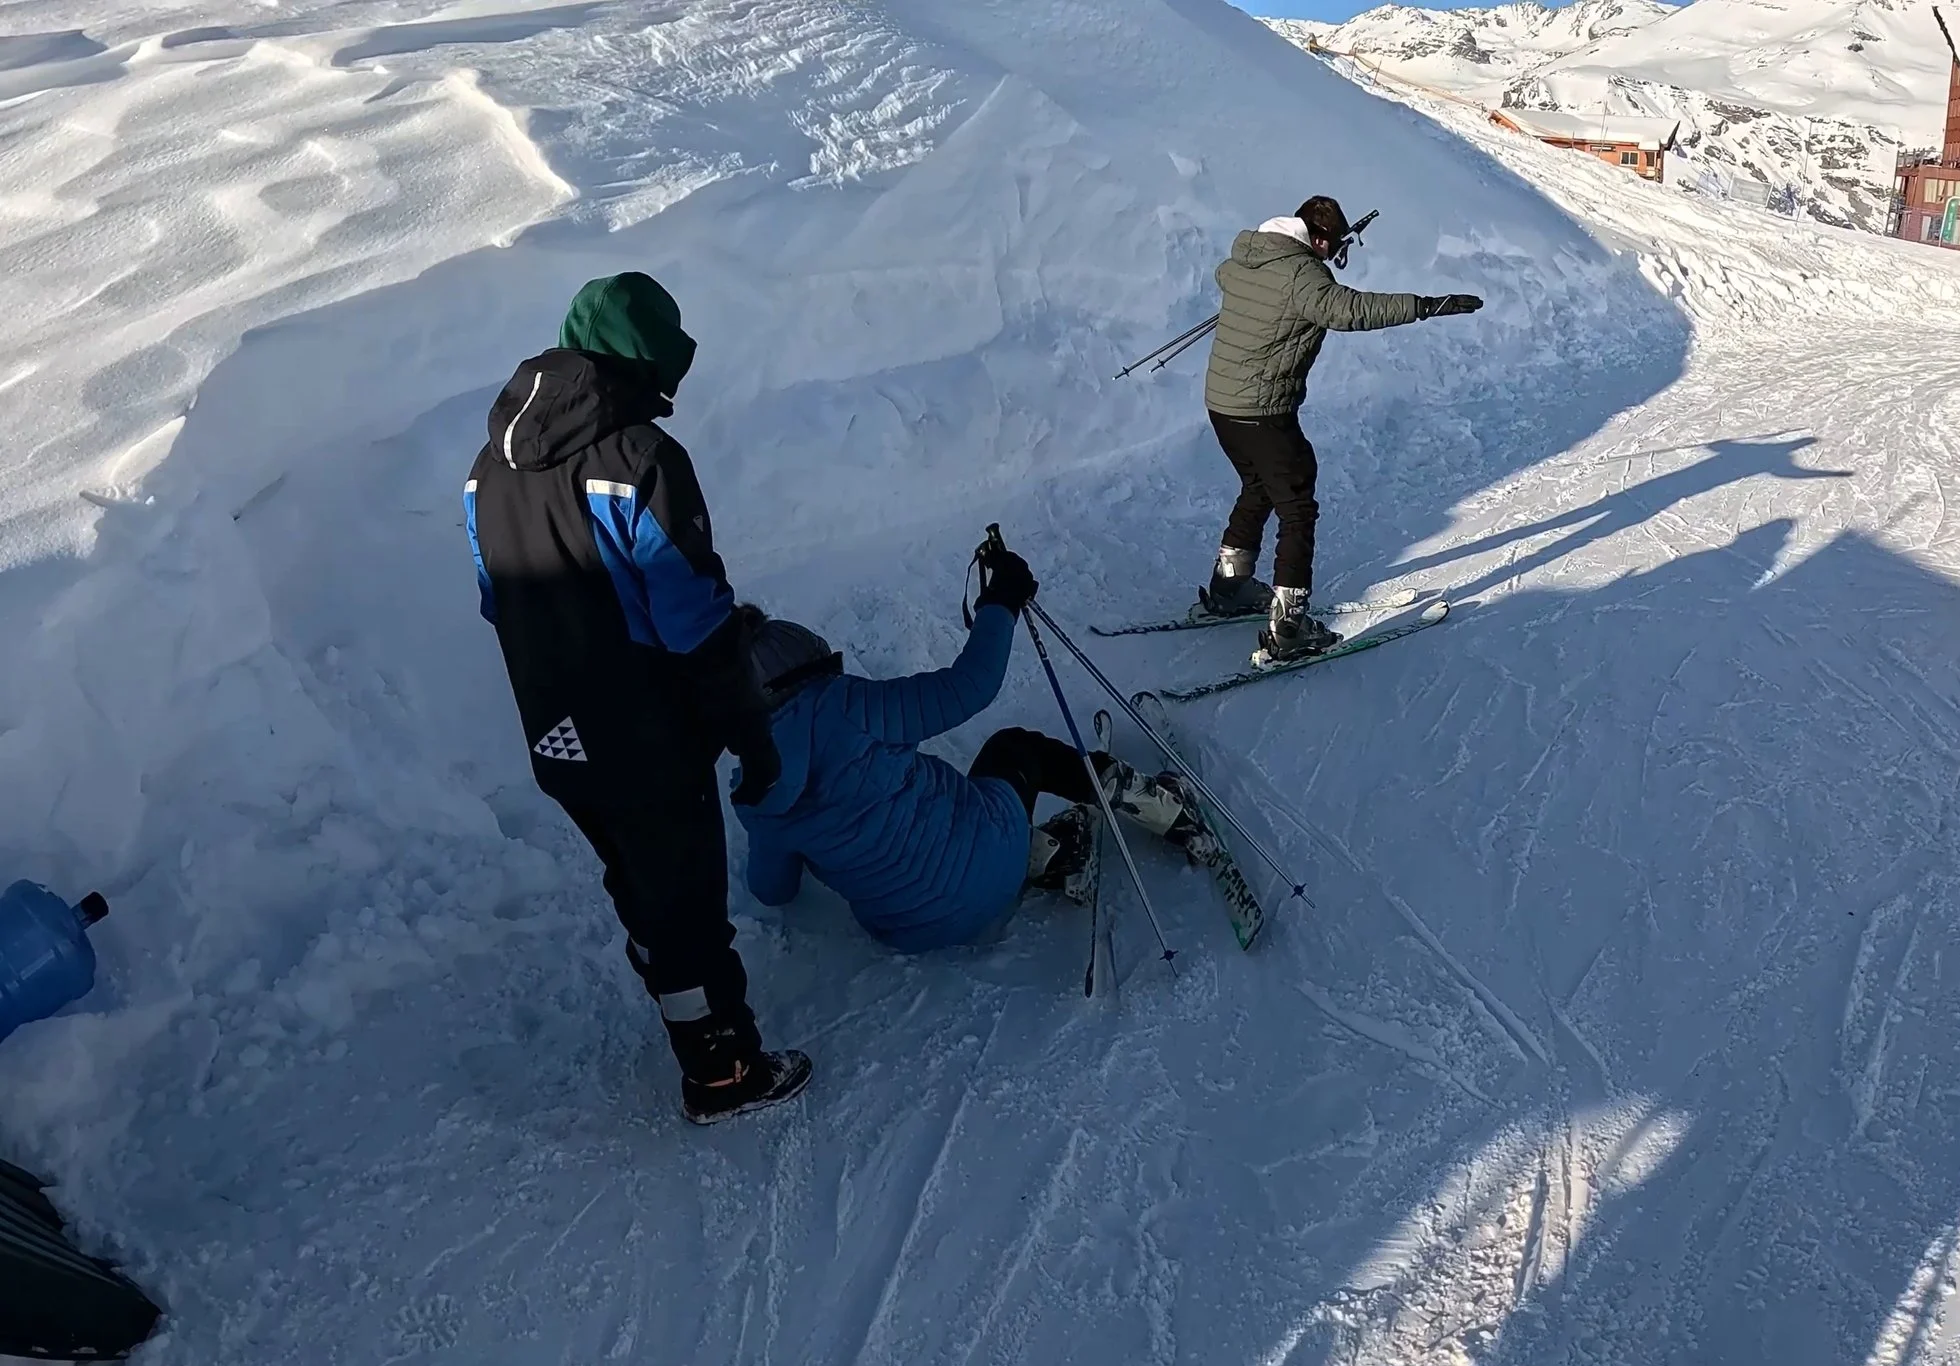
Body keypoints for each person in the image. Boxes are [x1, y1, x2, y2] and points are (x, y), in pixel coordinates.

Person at [465, 271, 809, 1126]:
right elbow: (695, 621)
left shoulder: (486, 472)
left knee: (640, 887)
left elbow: (493, 599)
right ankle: (722, 1071)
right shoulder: (641, 461)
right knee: (686, 904)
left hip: (555, 733)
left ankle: (673, 988)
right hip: (646, 736)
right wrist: (751, 736)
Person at [730, 551, 1210, 950]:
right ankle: (1158, 805)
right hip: (989, 856)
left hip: (911, 930)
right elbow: (971, 686)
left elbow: (773, 891)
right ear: (810, 667)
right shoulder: (847, 705)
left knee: (968, 802)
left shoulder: (755, 788)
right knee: (1014, 749)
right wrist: (1000, 602)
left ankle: (1050, 854)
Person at [1201, 195, 1483, 662]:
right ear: (1317, 240)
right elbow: (1349, 309)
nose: (1335, 256)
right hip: (1262, 408)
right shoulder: (1301, 275)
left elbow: (1229, 279)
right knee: (1296, 502)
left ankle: (1230, 582)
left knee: (1260, 484)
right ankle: (1289, 624)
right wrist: (1426, 305)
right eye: (1333, 248)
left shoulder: (1251, 258)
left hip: (1222, 405)